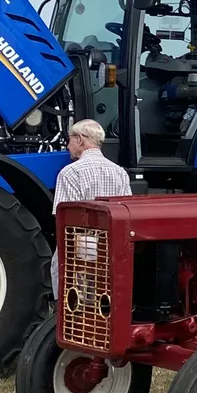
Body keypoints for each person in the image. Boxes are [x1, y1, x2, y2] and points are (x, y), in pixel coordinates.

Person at [52, 119, 134, 289]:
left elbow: (64, 219)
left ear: (80, 139)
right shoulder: (120, 172)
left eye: (69, 140)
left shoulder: (70, 173)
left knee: (78, 303)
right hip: (112, 244)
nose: (68, 146)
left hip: (81, 246)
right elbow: (128, 212)